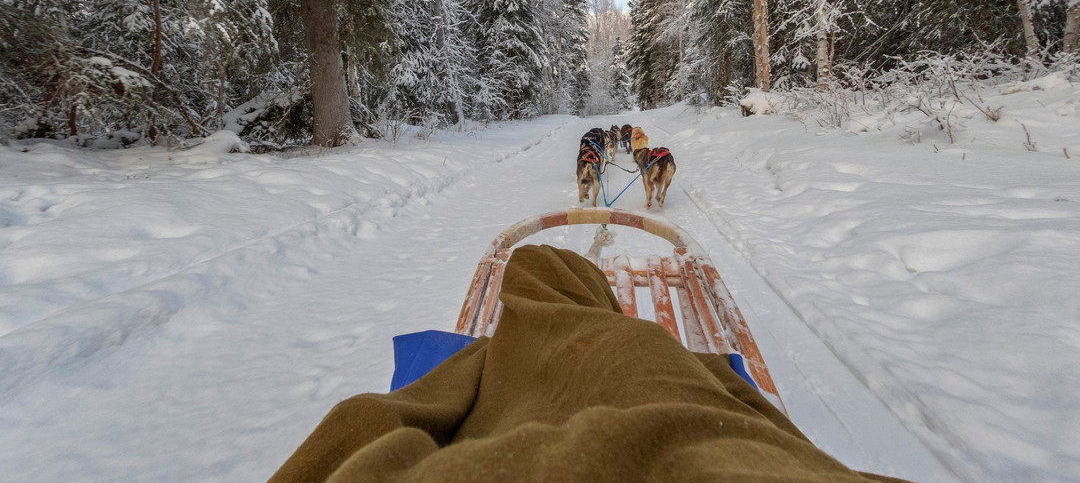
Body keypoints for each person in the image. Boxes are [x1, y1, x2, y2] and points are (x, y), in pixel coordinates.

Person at [267, 244, 912, 483]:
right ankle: (593, 305)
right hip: (707, 429)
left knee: (536, 269)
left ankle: (578, 297)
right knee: (585, 316)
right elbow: (720, 383)